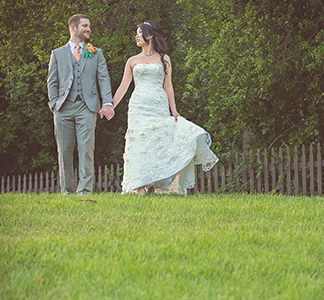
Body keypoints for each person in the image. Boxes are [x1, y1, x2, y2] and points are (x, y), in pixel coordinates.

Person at [110, 21, 217, 195]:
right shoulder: (132, 60)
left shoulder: (164, 58)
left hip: (158, 104)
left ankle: (154, 181)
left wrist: (173, 110)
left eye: (139, 32)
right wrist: (111, 106)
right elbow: (123, 86)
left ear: (150, 35)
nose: (136, 36)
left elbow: (168, 86)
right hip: (138, 105)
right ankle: (139, 187)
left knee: (157, 141)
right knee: (137, 142)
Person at [47, 14, 115, 194]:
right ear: (72, 28)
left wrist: (107, 102)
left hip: (88, 106)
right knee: (64, 151)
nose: (88, 29)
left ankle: (85, 190)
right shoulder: (57, 53)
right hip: (63, 108)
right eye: (85, 26)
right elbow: (52, 81)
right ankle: (67, 191)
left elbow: (103, 78)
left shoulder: (96, 52)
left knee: (86, 150)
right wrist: (53, 103)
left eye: (89, 26)